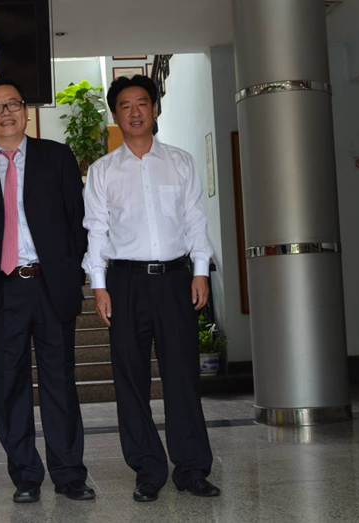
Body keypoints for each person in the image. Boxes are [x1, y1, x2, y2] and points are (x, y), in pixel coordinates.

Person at [0, 80, 94, 503]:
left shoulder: (57, 157)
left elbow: (78, 221)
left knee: (59, 382)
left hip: (50, 286)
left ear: (26, 111)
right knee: (9, 384)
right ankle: (26, 476)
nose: (5, 113)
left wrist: (70, 271)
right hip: (2, 290)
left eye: (12, 104)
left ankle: (69, 474)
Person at [82, 75, 221, 502]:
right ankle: (147, 470)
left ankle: (192, 469)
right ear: (115, 115)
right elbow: (96, 232)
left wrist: (200, 271)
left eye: (142, 103)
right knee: (130, 379)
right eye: (125, 105)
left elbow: (194, 219)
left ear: (155, 108)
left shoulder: (180, 162)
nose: (135, 112)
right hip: (124, 283)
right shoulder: (102, 172)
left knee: (183, 375)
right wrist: (99, 286)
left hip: (176, 279)